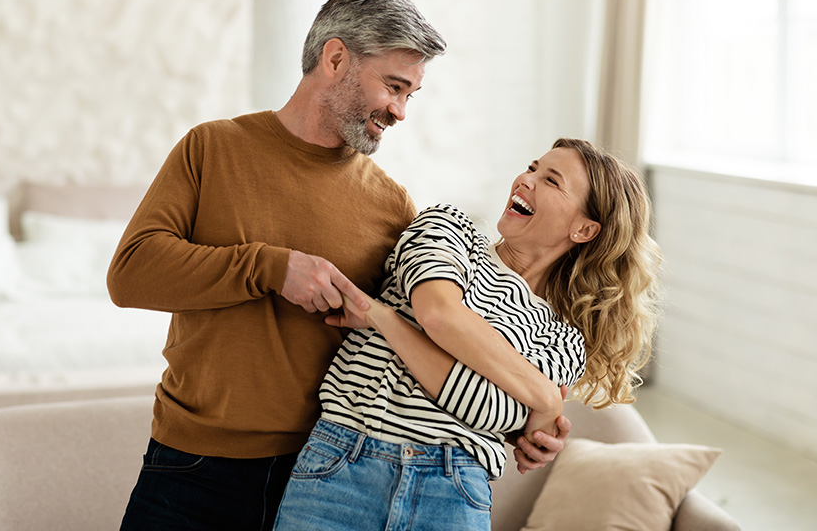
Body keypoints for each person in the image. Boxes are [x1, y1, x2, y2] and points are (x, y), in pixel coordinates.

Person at [108, 0, 564, 531]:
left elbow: (409, 355)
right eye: (393, 87)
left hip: (328, 476)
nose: (400, 111)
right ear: (335, 58)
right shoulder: (213, 148)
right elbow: (131, 275)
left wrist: (522, 425)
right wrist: (272, 267)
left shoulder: (393, 206)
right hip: (191, 466)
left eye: (410, 95)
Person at [272, 138, 664, 531]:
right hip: (341, 462)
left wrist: (384, 318)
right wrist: (541, 394)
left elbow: (494, 411)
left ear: (583, 229)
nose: (525, 180)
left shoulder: (566, 340)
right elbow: (439, 313)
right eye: (532, 167)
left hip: (455, 491)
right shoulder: (449, 228)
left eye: (551, 180)